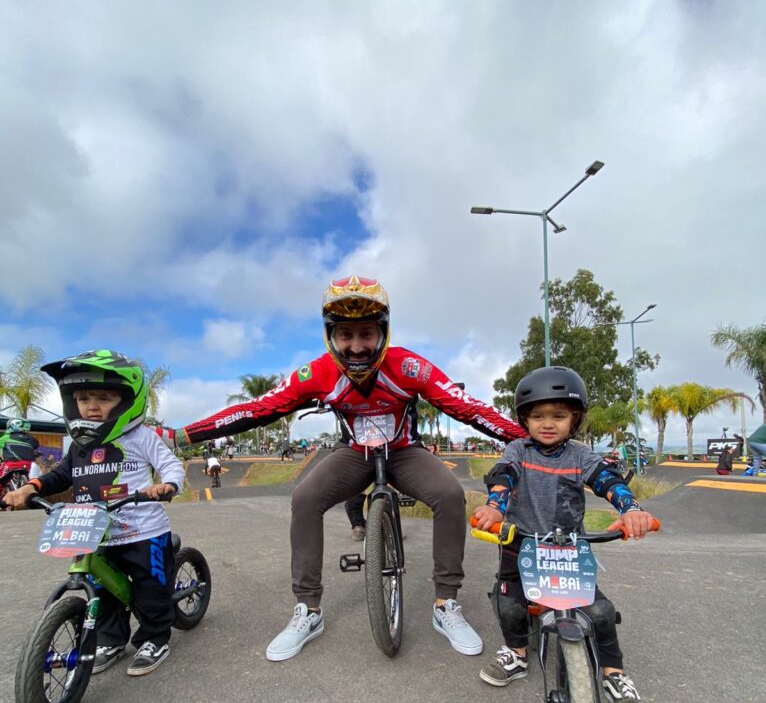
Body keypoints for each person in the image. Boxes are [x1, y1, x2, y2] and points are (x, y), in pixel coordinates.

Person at [174, 275, 526, 661]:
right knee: (305, 498)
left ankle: (446, 604)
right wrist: (186, 434)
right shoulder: (317, 373)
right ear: (330, 337)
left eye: (366, 334)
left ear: (383, 333)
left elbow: (468, 408)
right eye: (346, 335)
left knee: (448, 494)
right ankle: (308, 610)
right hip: (353, 453)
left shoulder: (409, 366)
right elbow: (258, 409)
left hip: (405, 451)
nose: (357, 347)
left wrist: (523, 436)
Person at [472, 366, 654, 703]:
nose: (548, 423)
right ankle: (517, 652)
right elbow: (503, 478)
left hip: (568, 550)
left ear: (576, 418)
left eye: (559, 415)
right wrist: (495, 507)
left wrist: (631, 509)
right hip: (520, 545)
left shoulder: (581, 456)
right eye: (538, 416)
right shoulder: (517, 450)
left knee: (600, 612)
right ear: (524, 419)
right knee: (509, 604)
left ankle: (614, 674)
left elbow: (607, 480)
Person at [3, 350, 184, 676]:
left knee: (150, 588)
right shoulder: (79, 446)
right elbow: (59, 476)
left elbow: (169, 465)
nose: (92, 406)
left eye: (104, 397)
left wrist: (167, 485)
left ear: (128, 399)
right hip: (95, 530)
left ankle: (156, 637)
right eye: (84, 398)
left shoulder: (141, 437)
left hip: (142, 530)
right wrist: (29, 488)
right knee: (100, 589)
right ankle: (111, 640)